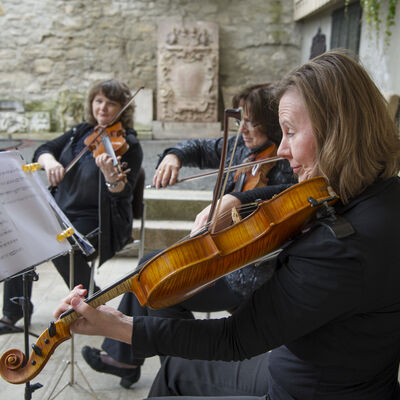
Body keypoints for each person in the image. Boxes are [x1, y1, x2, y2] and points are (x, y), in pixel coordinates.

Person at [56, 49, 400, 400]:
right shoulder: (378, 195)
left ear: (336, 130)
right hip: (334, 371)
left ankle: (127, 356)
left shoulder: (339, 246)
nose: (282, 149)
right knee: (175, 369)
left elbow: (234, 338)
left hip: (302, 388)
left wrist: (119, 326)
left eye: (290, 132)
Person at [80, 83, 297, 388]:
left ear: (273, 123)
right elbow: (196, 146)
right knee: (150, 266)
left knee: (163, 287)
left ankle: (183, 369)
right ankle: (134, 360)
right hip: (223, 259)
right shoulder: (239, 148)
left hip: (247, 276)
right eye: (241, 121)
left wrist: (238, 199)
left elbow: (287, 194)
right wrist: (173, 156)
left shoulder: (287, 163)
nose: (244, 129)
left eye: (253, 122)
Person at [0, 79, 143, 335]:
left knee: (60, 244)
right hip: (59, 212)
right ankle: (14, 310)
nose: (103, 108)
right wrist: (50, 161)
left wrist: (112, 179)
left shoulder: (128, 144)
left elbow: (124, 193)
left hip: (98, 219)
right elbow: (44, 148)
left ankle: (94, 303)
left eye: (111, 104)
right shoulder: (80, 132)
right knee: (20, 234)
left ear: (123, 108)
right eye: (99, 101)